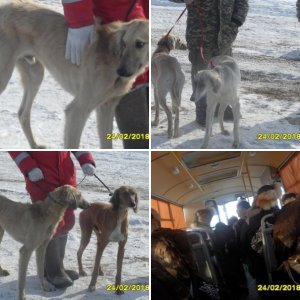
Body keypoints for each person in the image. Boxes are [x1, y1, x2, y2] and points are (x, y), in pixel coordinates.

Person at [62, 0, 149, 149]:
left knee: (145, 138)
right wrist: (79, 20)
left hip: (140, 58)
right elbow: (75, 111)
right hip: (106, 49)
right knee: (139, 138)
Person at [9, 151, 96, 288]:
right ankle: (53, 271)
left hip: (66, 177)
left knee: (67, 222)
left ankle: (57, 266)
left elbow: (72, 140)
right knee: (50, 226)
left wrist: (86, 160)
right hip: (41, 178)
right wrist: (29, 167)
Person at [169, 0, 248, 126]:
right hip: (199, 34)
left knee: (223, 73)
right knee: (200, 73)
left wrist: (236, 22)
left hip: (224, 35)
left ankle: (222, 106)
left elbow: (242, 2)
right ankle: (202, 110)